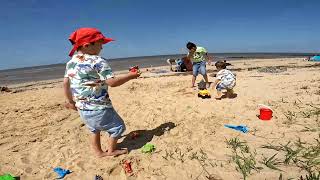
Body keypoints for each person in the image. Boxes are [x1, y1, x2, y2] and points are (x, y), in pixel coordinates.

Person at [63, 27, 140, 157]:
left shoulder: (71, 63)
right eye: (100, 44)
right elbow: (112, 82)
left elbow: (65, 83)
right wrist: (130, 76)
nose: (102, 48)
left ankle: (98, 152)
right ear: (87, 45)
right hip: (99, 106)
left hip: (82, 107)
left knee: (94, 129)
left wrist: (70, 102)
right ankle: (112, 150)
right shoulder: (98, 61)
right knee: (118, 127)